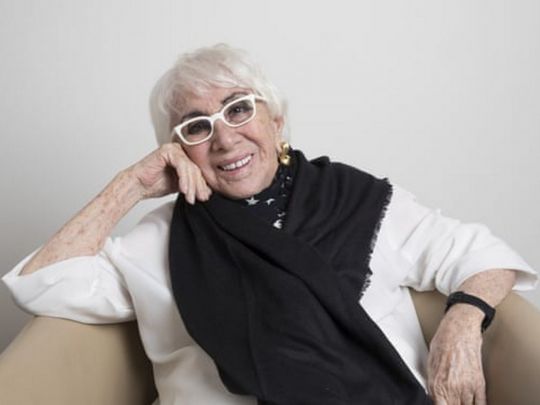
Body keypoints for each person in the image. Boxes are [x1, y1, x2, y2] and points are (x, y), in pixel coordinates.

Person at [2, 44, 537, 405]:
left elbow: (482, 255)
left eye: (238, 109)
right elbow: (41, 284)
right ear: (177, 150)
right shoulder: (158, 241)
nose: (224, 139)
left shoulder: (358, 200)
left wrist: (461, 324)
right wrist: (131, 186)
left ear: (276, 121)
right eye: (196, 127)